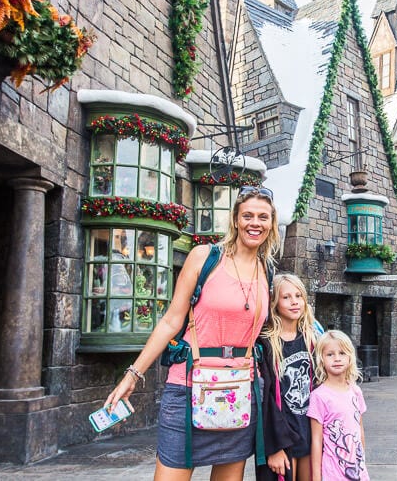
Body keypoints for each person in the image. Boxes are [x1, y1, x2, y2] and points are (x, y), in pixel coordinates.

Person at [104, 185, 280, 481]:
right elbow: (171, 321)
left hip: (240, 392)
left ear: (271, 223)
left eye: (263, 217)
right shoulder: (205, 257)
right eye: (248, 215)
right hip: (188, 386)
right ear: (235, 220)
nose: (255, 223)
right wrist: (132, 375)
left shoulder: (267, 271)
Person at [257, 273, 318, 481]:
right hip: (282, 437)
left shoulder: (312, 340)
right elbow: (264, 400)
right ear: (274, 302)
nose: (294, 302)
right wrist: (273, 447)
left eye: (298, 296)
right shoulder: (265, 343)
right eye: (286, 297)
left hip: (309, 434)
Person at [307, 330, 369, 481]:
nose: (337, 359)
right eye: (330, 354)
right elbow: (316, 441)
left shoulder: (356, 391)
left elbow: (359, 430)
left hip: (357, 470)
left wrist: (362, 464)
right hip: (333, 473)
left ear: (350, 357)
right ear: (321, 359)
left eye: (342, 353)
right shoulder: (319, 396)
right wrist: (316, 477)